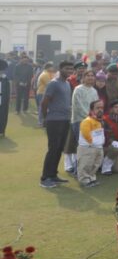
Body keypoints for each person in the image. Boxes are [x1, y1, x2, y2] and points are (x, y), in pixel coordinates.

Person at [40, 60, 74, 189]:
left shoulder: (66, 83)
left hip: (65, 120)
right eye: (67, 69)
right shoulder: (53, 83)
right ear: (60, 69)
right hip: (54, 120)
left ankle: (53, 174)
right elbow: (44, 102)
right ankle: (45, 178)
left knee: (59, 148)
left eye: (71, 69)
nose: (70, 71)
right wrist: (45, 118)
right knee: (53, 148)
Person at [69, 70, 100, 174]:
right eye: (88, 76)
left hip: (93, 121)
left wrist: (96, 117)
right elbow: (77, 106)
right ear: (83, 78)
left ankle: (82, 170)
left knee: (90, 147)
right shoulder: (78, 89)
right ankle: (79, 171)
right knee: (83, 147)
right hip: (80, 121)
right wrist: (89, 118)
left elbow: (97, 106)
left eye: (92, 76)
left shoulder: (94, 91)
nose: (91, 78)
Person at [77, 100, 105, 188]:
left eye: (101, 108)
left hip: (98, 147)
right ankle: (84, 180)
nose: (100, 110)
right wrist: (93, 143)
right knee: (86, 164)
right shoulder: (87, 121)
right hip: (88, 148)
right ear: (92, 110)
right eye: (97, 108)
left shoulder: (99, 121)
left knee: (96, 164)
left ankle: (91, 178)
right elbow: (86, 134)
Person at [0, 59, 10, 137]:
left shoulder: (5, 79)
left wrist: (7, 100)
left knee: (3, 116)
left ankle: (2, 130)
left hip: (3, 100)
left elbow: (7, 91)